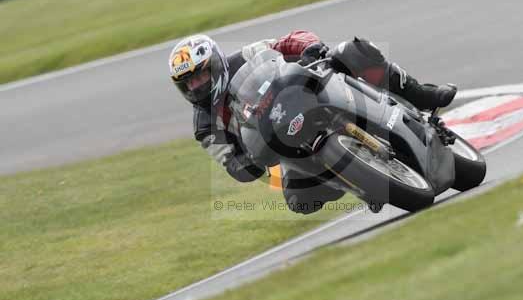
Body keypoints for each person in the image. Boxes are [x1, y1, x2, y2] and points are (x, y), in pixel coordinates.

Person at [169, 31, 456, 214]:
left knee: (353, 51)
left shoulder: (244, 56)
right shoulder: (205, 125)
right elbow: (229, 161)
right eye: (188, 83)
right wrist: (245, 165)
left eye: (200, 76)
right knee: (300, 201)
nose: (196, 86)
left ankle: (423, 95)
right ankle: (360, 181)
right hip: (284, 145)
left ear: (216, 65)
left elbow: (287, 41)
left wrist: (310, 48)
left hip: (305, 94)